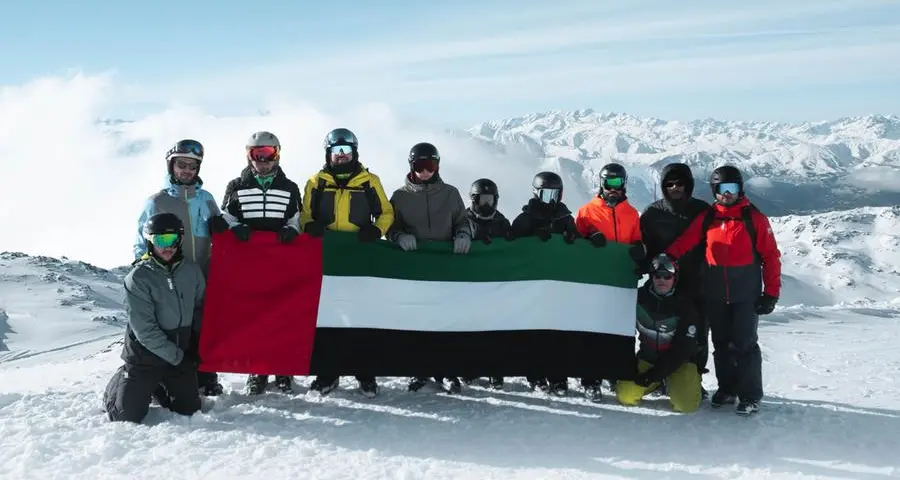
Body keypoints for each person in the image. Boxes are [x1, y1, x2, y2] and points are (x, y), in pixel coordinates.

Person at [665, 165, 781, 416]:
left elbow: (771, 256)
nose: (727, 194)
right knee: (721, 344)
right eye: (721, 189)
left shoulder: (754, 218)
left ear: (740, 189)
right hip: (715, 293)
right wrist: (667, 257)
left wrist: (771, 293)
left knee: (745, 345)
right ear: (714, 191)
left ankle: (750, 396)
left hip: (745, 294)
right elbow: (687, 241)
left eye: (732, 189)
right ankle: (727, 389)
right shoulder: (708, 218)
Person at [300, 127, 395, 398]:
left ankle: (364, 372)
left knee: (360, 314)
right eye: (336, 151)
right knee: (327, 316)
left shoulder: (368, 181)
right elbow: (304, 214)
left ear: (355, 152)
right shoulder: (316, 181)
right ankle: (328, 372)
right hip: (327, 259)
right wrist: (310, 226)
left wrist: (377, 231)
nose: (341, 156)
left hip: (359, 258)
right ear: (328, 154)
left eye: (346, 151)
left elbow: (386, 213)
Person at [208, 131, 303, 395]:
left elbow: (297, 219)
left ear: (278, 154)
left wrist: (292, 232)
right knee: (256, 316)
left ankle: (283, 370)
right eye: (256, 154)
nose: (263, 160)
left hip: (280, 263)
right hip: (249, 265)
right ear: (249, 156)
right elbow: (226, 218)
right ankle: (257, 371)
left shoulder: (289, 187)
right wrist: (235, 228)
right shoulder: (237, 185)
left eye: (268, 154)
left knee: (281, 315)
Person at [133, 139, 224, 397]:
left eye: (192, 166)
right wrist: (145, 273)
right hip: (169, 278)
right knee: (172, 329)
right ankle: (164, 381)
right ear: (171, 166)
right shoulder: (156, 202)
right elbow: (142, 242)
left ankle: (207, 378)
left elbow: (220, 234)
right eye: (181, 165)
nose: (186, 170)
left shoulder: (206, 200)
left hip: (202, 276)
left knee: (202, 329)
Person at [387, 142, 473, 394]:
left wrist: (464, 235)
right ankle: (420, 369)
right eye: (419, 166)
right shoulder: (400, 196)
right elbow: (391, 226)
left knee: (446, 319)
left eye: (430, 166)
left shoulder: (450, 193)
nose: (425, 172)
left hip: (446, 269)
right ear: (411, 167)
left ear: (437, 166)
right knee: (419, 319)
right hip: (416, 271)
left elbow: (463, 221)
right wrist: (398, 236)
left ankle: (447, 369)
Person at [103, 213, 206, 423]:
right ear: (150, 242)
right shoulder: (138, 278)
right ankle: (120, 381)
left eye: (172, 240)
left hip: (178, 355)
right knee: (126, 416)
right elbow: (145, 331)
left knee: (188, 410)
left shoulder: (191, 272)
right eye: (160, 241)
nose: (167, 247)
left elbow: (199, 310)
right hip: (144, 358)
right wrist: (179, 357)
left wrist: (195, 347)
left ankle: (158, 387)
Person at [572, 162, 643, 401]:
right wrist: (589, 235)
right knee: (592, 330)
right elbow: (574, 243)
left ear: (624, 184)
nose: (613, 188)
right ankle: (590, 379)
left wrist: (639, 251)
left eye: (618, 183)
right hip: (593, 282)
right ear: (601, 183)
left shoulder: (632, 214)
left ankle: (613, 373)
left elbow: (637, 242)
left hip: (620, 282)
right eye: (609, 183)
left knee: (618, 330)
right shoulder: (586, 211)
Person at [639, 162, 712, 396]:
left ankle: (694, 376)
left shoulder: (702, 211)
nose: (675, 187)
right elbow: (644, 247)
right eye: (669, 184)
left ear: (688, 185)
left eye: (680, 183)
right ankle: (657, 375)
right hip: (663, 282)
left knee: (698, 333)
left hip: (697, 282)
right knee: (657, 327)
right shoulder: (653, 213)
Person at [509, 171, 579, 397]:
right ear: (536, 193)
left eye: (555, 195)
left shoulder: (565, 218)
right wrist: (530, 238)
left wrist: (572, 238)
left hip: (558, 287)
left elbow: (576, 247)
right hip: (532, 287)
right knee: (535, 333)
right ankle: (536, 375)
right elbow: (512, 248)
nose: (551, 200)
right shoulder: (525, 219)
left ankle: (558, 377)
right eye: (546, 194)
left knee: (558, 334)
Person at [615, 254, 702, 413]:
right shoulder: (638, 298)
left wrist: (654, 375)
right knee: (625, 396)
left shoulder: (685, 305)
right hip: (648, 359)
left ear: (674, 278)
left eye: (667, 276)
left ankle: (673, 382)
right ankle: (658, 383)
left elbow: (683, 349)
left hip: (678, 363)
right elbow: (620, 332)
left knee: (686, 406)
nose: (662, 280)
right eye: (657, 276)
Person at [460, 178, 511, 390]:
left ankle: (495, 370)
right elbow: (456, 235)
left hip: (495, 285)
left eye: (490, 200)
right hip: (468, 284)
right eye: (482, 199)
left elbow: (514, 251)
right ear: (473, 200)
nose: (486, 204)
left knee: (495, 329)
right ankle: (469, 367)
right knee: (470, 327)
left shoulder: (502, 222)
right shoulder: (463, 219)